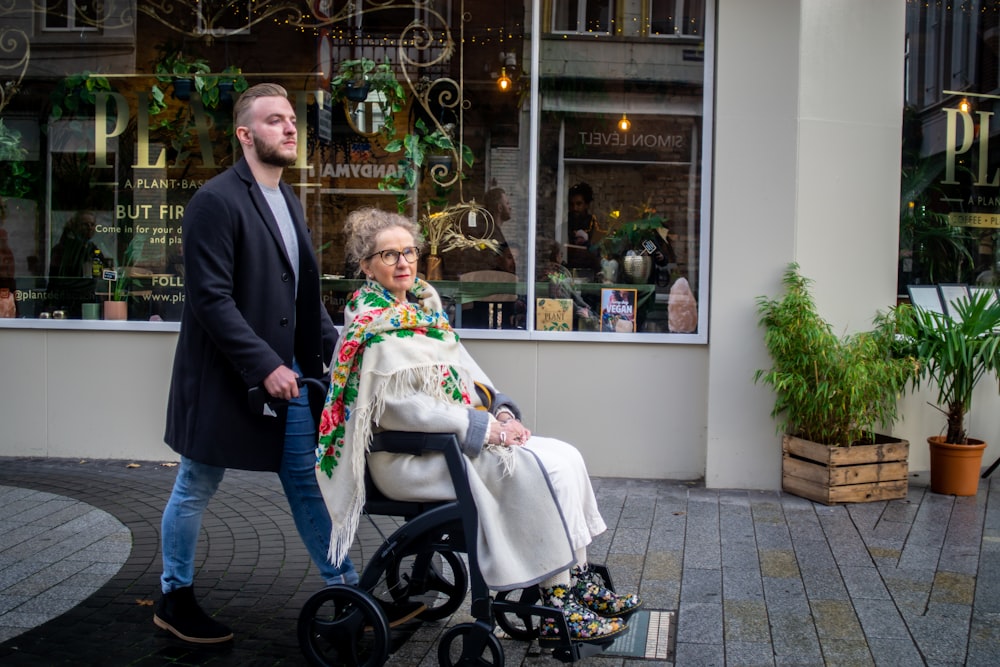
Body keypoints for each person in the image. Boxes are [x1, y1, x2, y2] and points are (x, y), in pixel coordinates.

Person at [315, 207, 641, 646]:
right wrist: (484, 428)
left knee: (563, 455)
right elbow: (399, 411)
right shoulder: (370, 325)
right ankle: (556, 601)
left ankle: (573, 579)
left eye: (408, 251)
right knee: (530, 470)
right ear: (366, 265)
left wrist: (501, 412)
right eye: (388, 255)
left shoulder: (423, 313)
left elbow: (468, 375)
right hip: (409, 457)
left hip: (446, 443)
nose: (403, 263)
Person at [156, 83, 357, 645]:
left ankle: (347, 592)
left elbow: (304, 295)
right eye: (274, 120)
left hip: (290, 376)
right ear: (245, 134)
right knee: (196, 482)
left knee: (305, 480)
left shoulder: (287, 199)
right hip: (230, 379)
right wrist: (266, 364)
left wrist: (342, 349)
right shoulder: (215, 201)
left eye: (292, 119)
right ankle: (175, 597)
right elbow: (210, 299)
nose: (290, 128)